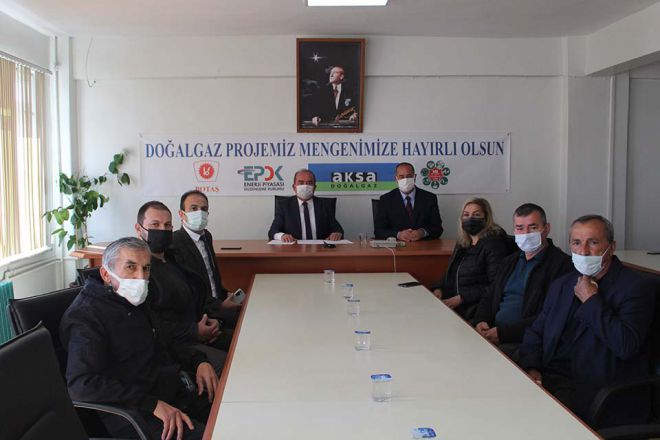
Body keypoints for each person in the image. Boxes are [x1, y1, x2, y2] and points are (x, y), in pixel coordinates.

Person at [61, 237, 217, 440]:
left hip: (171, 393)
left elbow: (165, 340)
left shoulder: (133, 300)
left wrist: (198, 361)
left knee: (233, 410)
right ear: (106, 274)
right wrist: (151, 404)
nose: (141, 277)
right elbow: (81, 385)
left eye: (146, 268)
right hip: (134, 413)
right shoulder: (86, 316)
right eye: (131, 267)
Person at [518, 215, 656, 426]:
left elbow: (625, 345)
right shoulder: (563, 284)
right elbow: (536, 331)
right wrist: (532, 368)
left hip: (598, 392)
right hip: (551, 377)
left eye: (593, 242)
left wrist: (591, 301)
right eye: (576, 242)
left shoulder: (636, 288)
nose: (583, 251)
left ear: (611, 247)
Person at [136, 201, 230, 374]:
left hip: (200, 331)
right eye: (155, 225)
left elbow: (197, 296)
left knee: (244, 342)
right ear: (138, 228)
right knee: (231, 366)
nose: (162, 230)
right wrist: (194, 331)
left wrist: (215, 320)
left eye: (167, 225)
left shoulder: (175, 258)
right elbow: (151, 324)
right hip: (175, 346)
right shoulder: (140, 272)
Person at [472, 203, 573, 359]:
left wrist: (503, 334)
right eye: (520, 228)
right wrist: (481, 320)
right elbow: (489, 295)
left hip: (526, 342)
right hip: (492, 333)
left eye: (533, 227)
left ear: (546, 229)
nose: (526, 233)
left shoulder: (562, 265)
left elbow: (550, 315)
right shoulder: (509, 261)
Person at [431, 198, 513, 320]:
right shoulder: (463, 243)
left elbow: (495, 284)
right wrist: (439, 288)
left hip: (476, 309)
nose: (470, 218)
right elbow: (452, 271)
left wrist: (462, 298)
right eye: (466, 215)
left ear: (486, 218)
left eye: (476, 215)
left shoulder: (494, 244)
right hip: (456, 304)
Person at [171, 190, 241, 329]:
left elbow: (212, 275)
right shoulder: (174, 243)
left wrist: (225, 294)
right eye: (194, 208)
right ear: (181, 214)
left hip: (217, 303)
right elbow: (190, 290)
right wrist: (220, 306)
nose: (200, 213)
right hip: (201, 315)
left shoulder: (206, 236)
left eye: (204, 209)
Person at [267, 169, 344, 242]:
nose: (305, 186)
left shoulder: (325, 205)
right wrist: (282, 236)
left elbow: (338, 230)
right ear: (294, 187)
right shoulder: (284, 205)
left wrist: (337, 234)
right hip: (293, 248)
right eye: (301, 183)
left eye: (309, 183)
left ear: (314, 188)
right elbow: (272, 231)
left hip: (320, 249)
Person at [374, 162, 443, 241]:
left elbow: (437, 228)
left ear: (415, 177)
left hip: (423, 245)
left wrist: (422, 232)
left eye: (409, 176)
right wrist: (398, 234)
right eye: (401, 177)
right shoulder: (386, 200)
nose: (405, 180)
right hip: (397, 246)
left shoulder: (429, 198)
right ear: (396, 179)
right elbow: (378, 231)